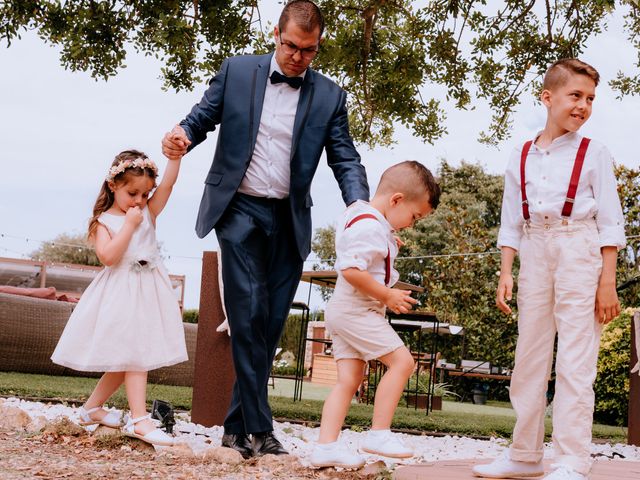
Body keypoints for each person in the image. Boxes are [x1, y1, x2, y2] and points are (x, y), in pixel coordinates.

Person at [161, 0, 369, 459]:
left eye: (309, 50)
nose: (298, 57)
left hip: (289, 218)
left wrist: (360, 206)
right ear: (277, 34)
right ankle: (261, 429)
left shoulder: (331, 97)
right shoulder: (237, 72)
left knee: (270, 324)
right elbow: (203, 115)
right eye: (292, 46)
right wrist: (183, 134)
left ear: (318, 48)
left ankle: (236, 430)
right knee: (248, 309)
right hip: (237, 210)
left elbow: (345, 157)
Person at [472, 59, 626, 480]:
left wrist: (606, 281)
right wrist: (506, 270)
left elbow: (610, 221)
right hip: (535, 250)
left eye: (590, 99)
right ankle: (524, 455)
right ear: (548, 97)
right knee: (529, 355)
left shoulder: (594, 152)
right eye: (575, 96)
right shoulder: (520, 154)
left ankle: (573, 460)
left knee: (576, 359)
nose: (583, 106)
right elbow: (510, 221)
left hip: (579, 246)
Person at [51, 150, 187, 447]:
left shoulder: (148, 212)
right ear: (113, 185)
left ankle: (91, 409)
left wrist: (176, 157)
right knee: (135, 352)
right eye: (132, 193)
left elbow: (169, 185)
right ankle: (140, 420)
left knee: (127, 357)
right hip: (120, 293)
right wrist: (129, 226)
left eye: (144, 194)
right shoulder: (105, 221)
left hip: (148, 291)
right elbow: (109, 258)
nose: (139, 200)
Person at [309, 161, 440, 469]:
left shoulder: (363, 217)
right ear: (396, 200)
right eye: (414, 216)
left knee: (349, 379)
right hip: (357, 310)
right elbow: (352, 270)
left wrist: (387, 238)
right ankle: (378, 432)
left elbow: (357, 247)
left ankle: (326, 446)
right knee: (402, 362)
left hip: (344, 311)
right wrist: (387, 295)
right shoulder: (370, 226)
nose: (412, 223)